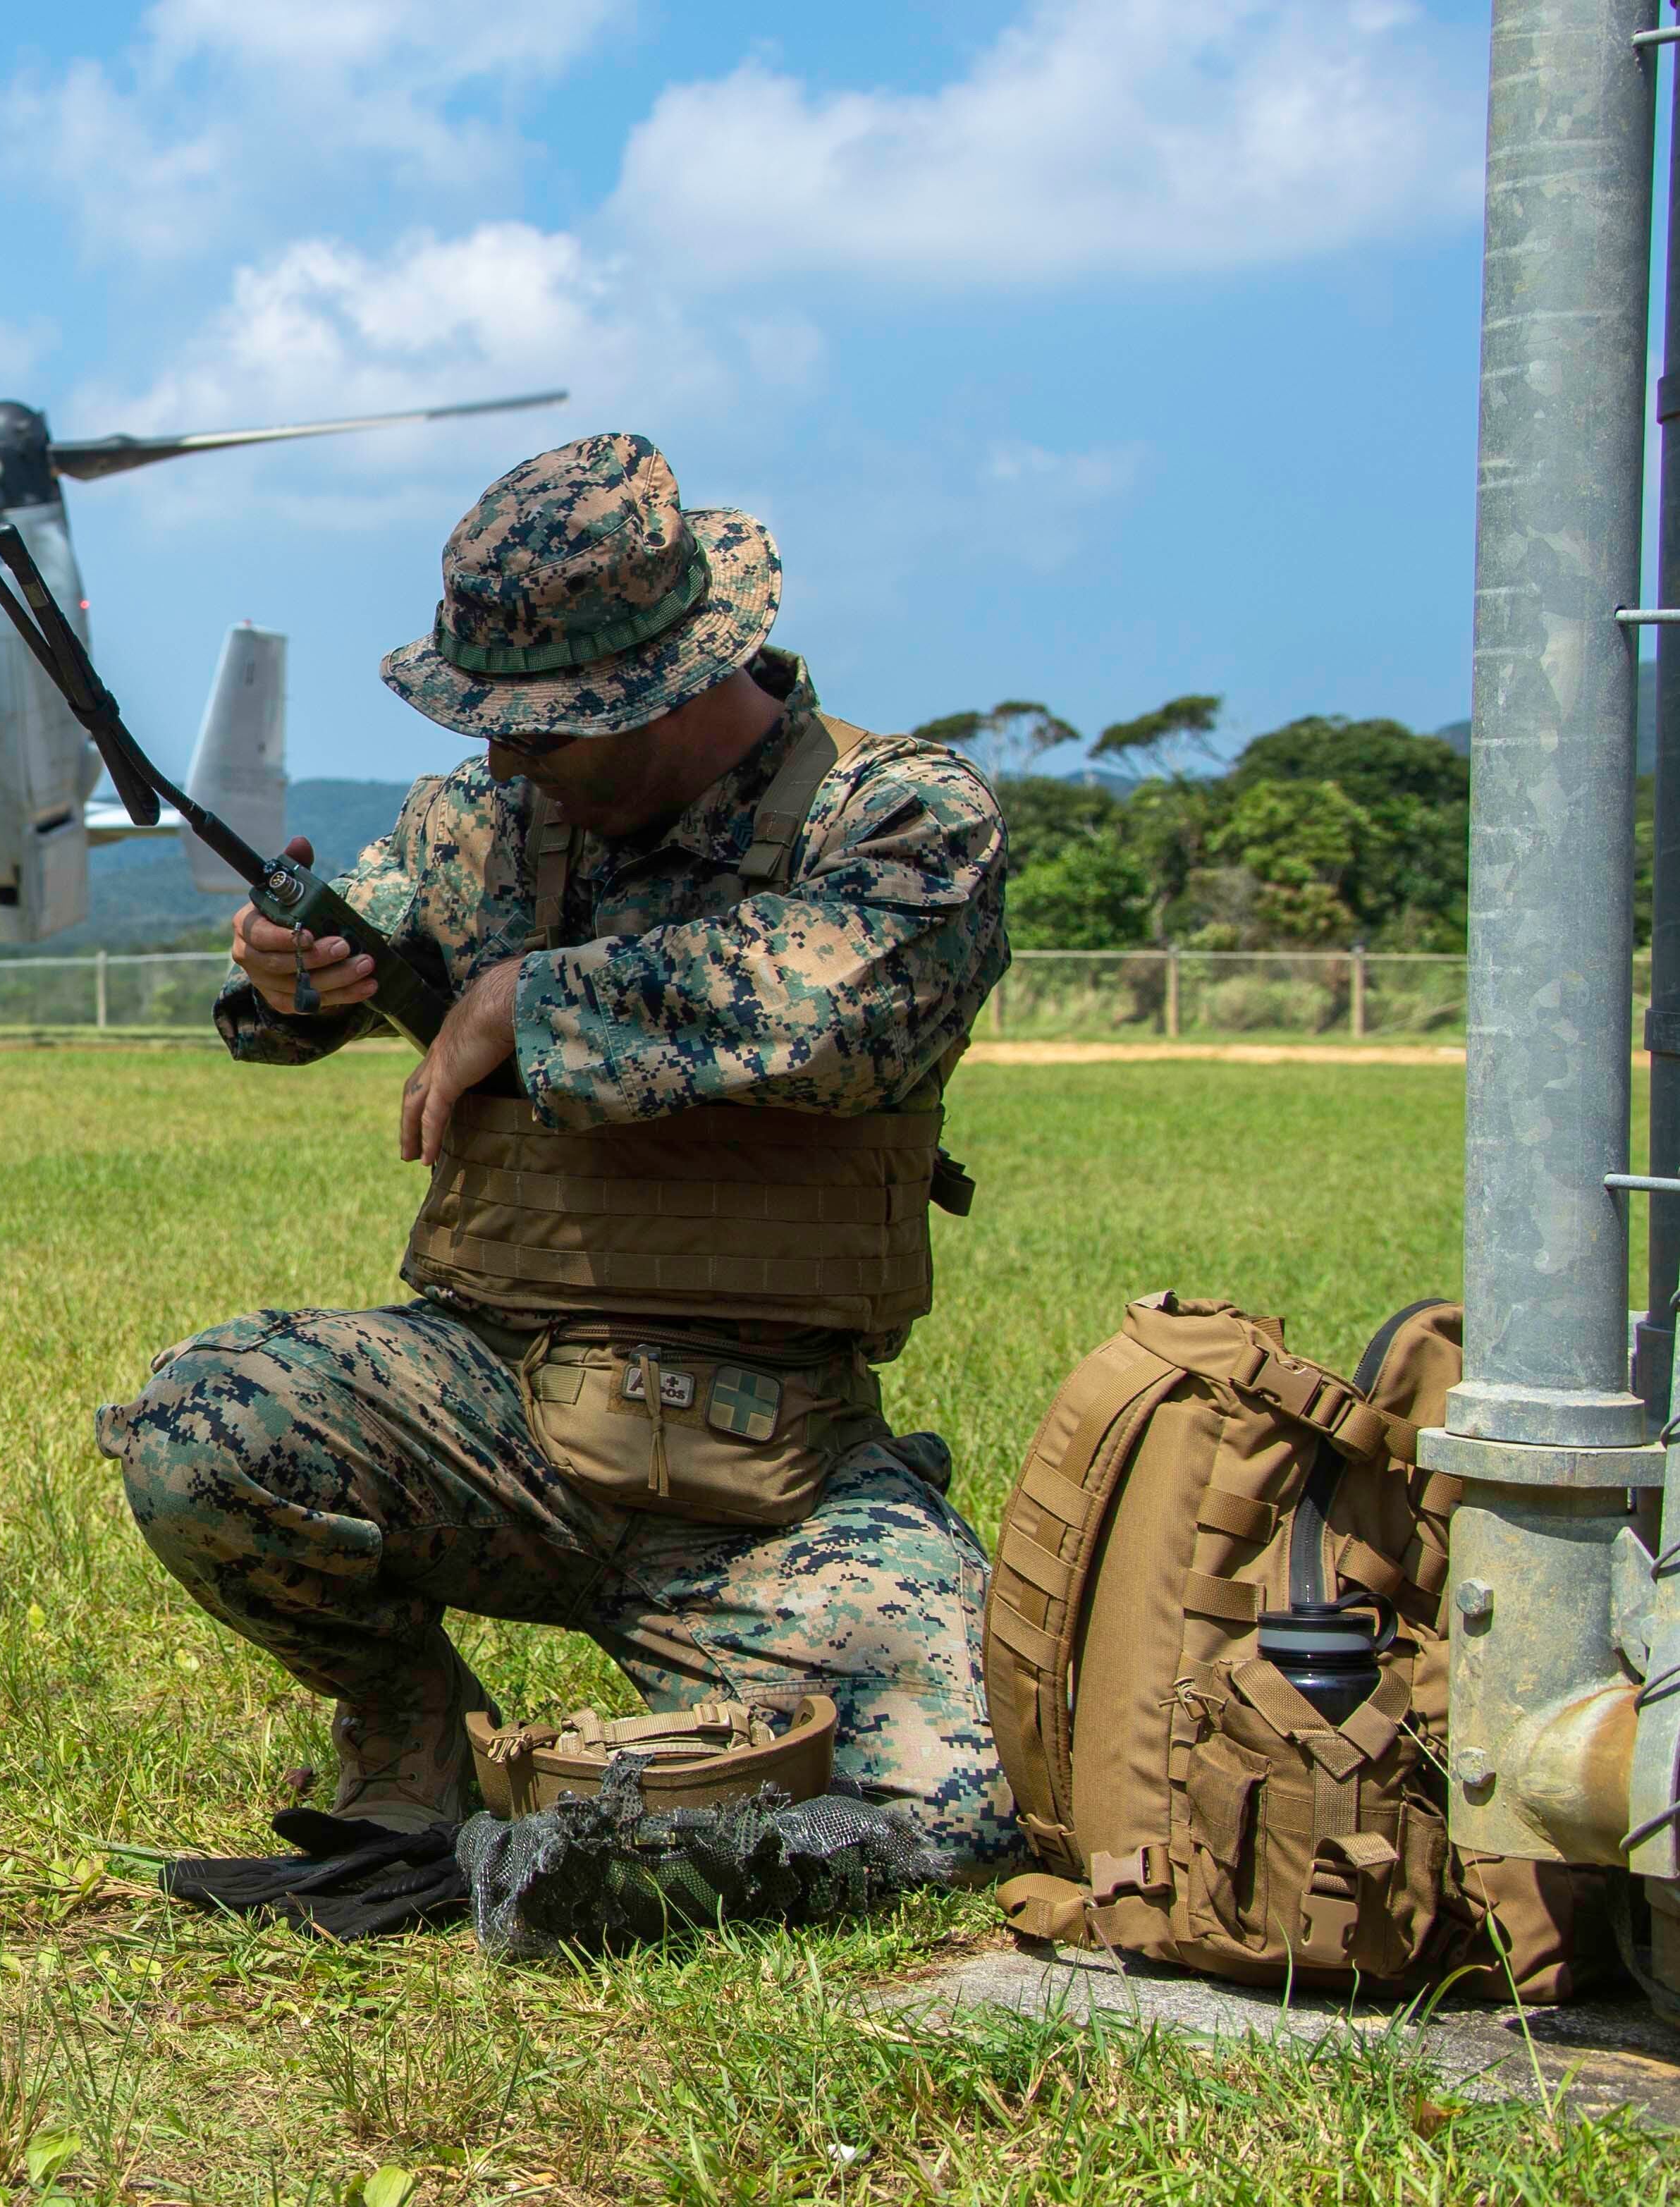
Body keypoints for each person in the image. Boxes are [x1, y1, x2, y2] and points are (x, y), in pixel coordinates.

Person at [97, 432, 1018, 1871]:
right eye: (490, 724)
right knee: (208, 1421)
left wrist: (532, 1000)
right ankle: (413, 1750)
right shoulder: (482, 817)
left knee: (964, 1796)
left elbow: (842, 1005)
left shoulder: (894, 815)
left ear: (671, 682)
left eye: (540, 725)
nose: (502, 754)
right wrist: (286, 977)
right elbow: (355, 959)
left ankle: (652, 1812)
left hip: (762, 1468)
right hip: (491, 1412)